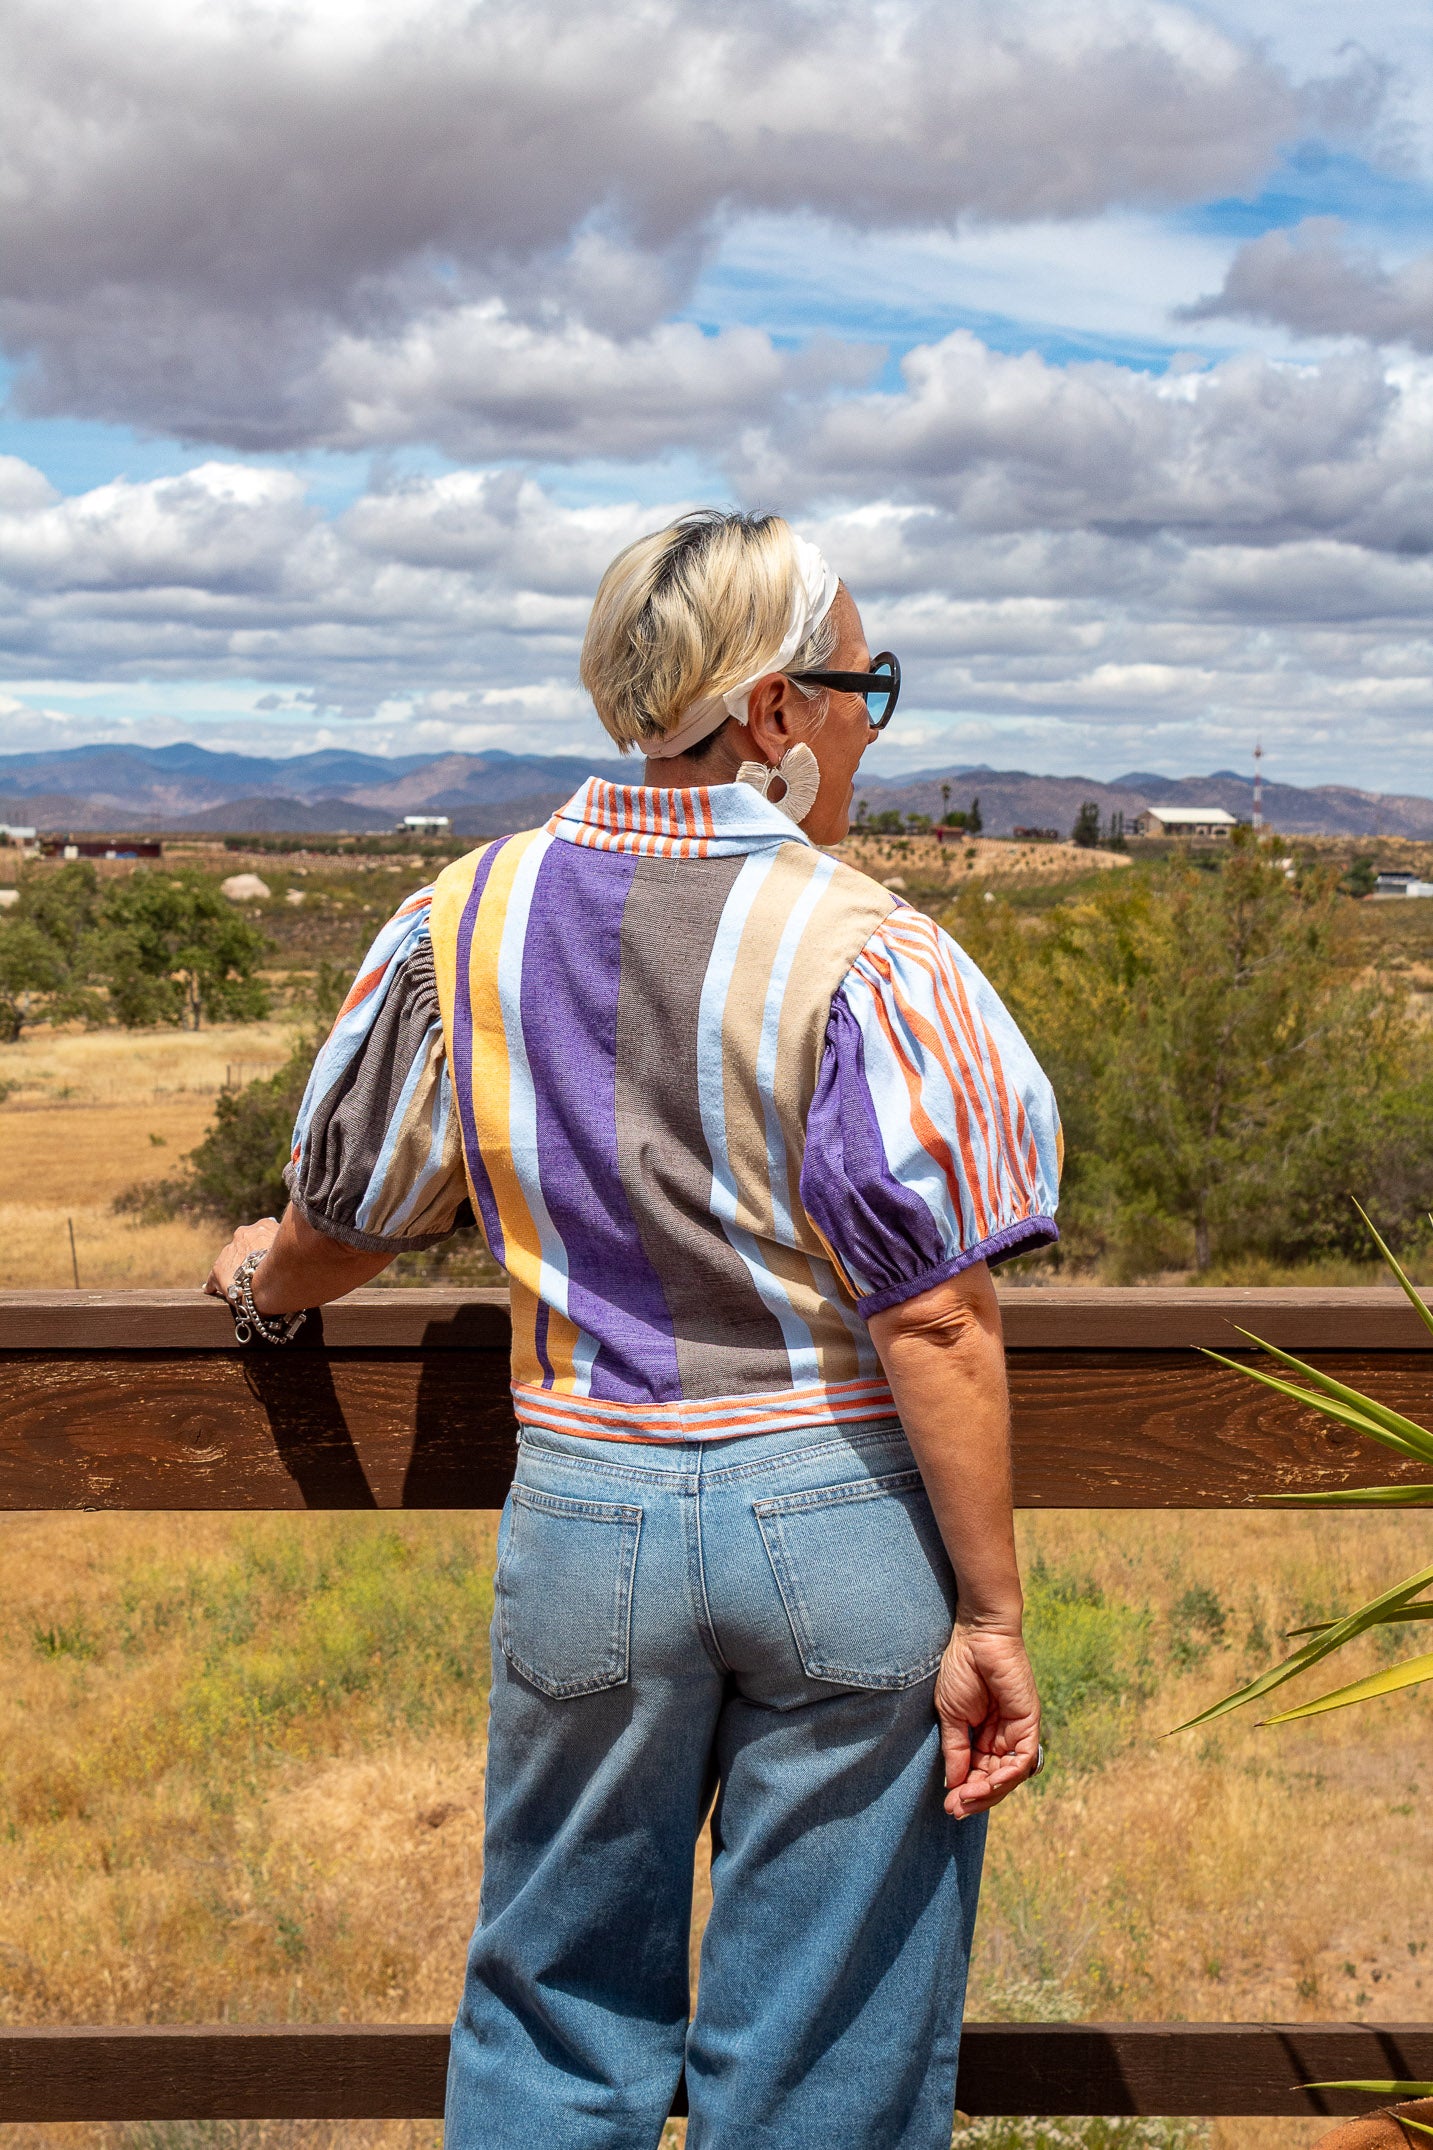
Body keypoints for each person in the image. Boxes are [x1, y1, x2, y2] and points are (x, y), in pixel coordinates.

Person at [205, 510, 1062, 2150]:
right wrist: (992, 1615)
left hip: (587, 1512)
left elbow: (352, 1216)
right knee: (823, 2043)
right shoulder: (869, 947)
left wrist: (259, 1281)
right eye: (860, 687)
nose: (869, 726)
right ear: (767, 715)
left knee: (552, 2010)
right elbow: (938, 1315)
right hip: (834, 1511)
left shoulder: (461, 919)